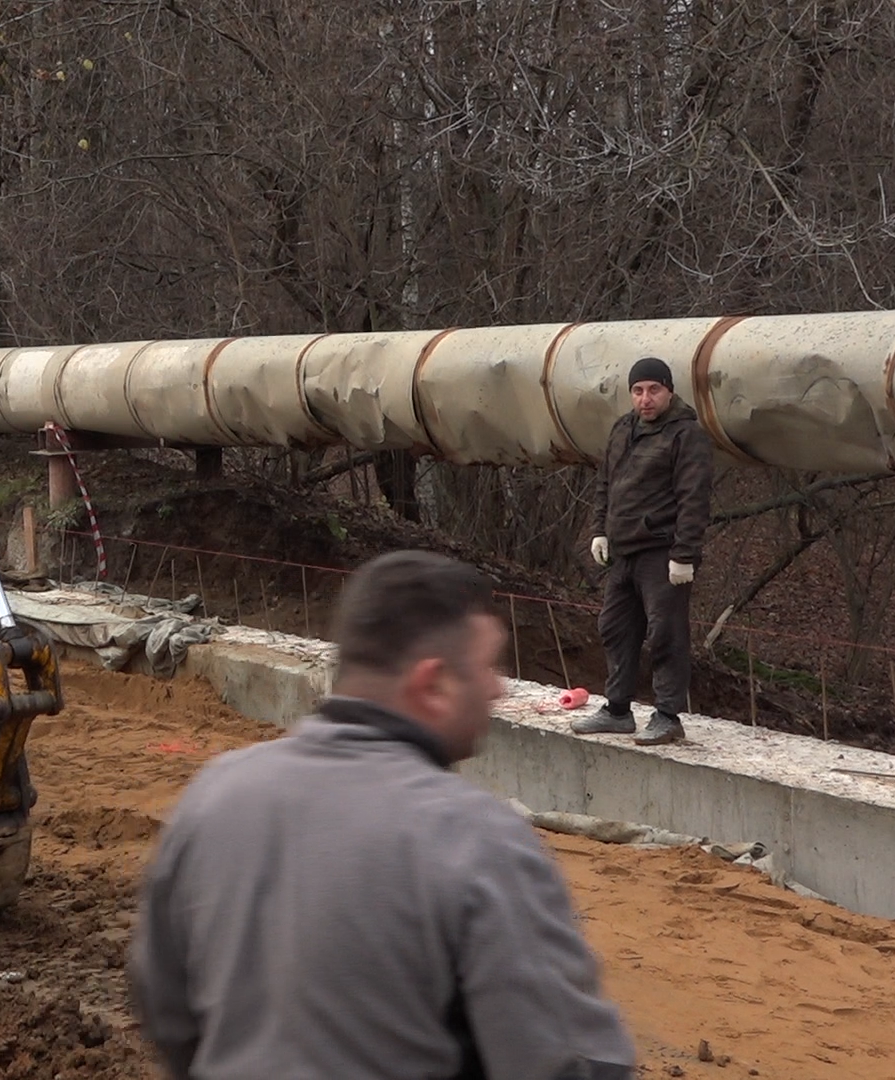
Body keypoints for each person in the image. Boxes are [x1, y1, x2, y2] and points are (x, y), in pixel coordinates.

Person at [129, 550, 636, 1080]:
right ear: (433, 685)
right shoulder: (478, 840)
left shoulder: (214, 795)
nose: (496, 687)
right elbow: (567, 1064)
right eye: (485, 666)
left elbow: (165, 1007)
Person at [573, 356, 714, 746]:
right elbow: (605, 483)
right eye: (638, 391)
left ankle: (667, 716)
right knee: (614, 628)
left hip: (662, 552)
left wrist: (684, 554)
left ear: (669, 390)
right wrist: (599, 530)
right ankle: (617, 709)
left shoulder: (687, 436)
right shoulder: (623, 429)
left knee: (666, 633)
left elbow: (694, 499)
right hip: (623, 552)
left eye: (654, 389)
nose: (645, 398)